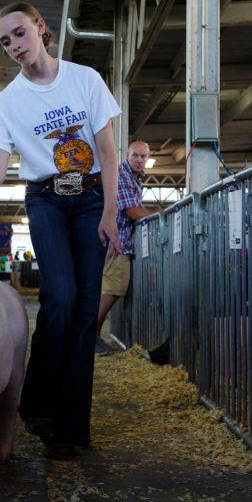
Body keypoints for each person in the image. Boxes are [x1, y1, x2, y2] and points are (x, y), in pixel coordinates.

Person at [0, 2, 121, 461]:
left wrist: (109, 211)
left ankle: (71, 429)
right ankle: (38, 402)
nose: (14, 47)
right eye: (5, 42)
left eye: (19, 34)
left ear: (41, 28)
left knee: (85, 313)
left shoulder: (85, 79)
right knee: (59, 297)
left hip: (88, 200)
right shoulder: (7, 103)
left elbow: (107, 151)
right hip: (45, 197)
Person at [96, 141, 154, 356]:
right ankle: (91, 337)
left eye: (144, 156)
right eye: (135, 156)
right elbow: (132, 211)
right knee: (113, 289)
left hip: (117, 240)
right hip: (116, 242)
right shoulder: (124, 176)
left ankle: (92, 337)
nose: (139, 160)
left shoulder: (134, 176)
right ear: (127, 155)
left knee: (110, 289)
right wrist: (161, 215)